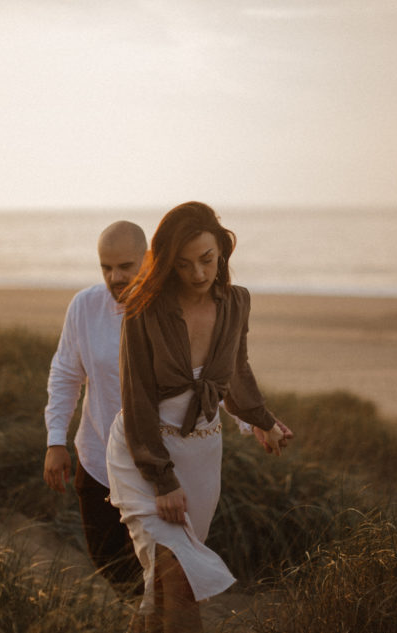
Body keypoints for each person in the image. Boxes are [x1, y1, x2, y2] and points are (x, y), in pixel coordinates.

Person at [105, 201, 290, 632]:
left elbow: (236, 376)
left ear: (222, 251)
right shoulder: (143, 308)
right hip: (144, 456)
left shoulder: (237, 303)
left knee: (162, 590)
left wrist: (264, 420)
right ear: (169, 264)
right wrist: (162, 479)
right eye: (184, 265)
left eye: (207, 260)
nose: (199, 274)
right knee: (180, 577)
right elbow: (137, 399)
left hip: (204, 457)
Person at [43, 220, 148, 591]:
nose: (115, 277)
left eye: (125, 266)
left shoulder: (167, 310)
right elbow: (65, 374)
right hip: (97, 456)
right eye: (106, 267)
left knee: (155, 566)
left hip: (155, 467)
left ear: (147, 261)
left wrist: (252, 422)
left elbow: (209, 380)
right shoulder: (85, 306)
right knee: (108, 561)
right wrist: (56, 440)